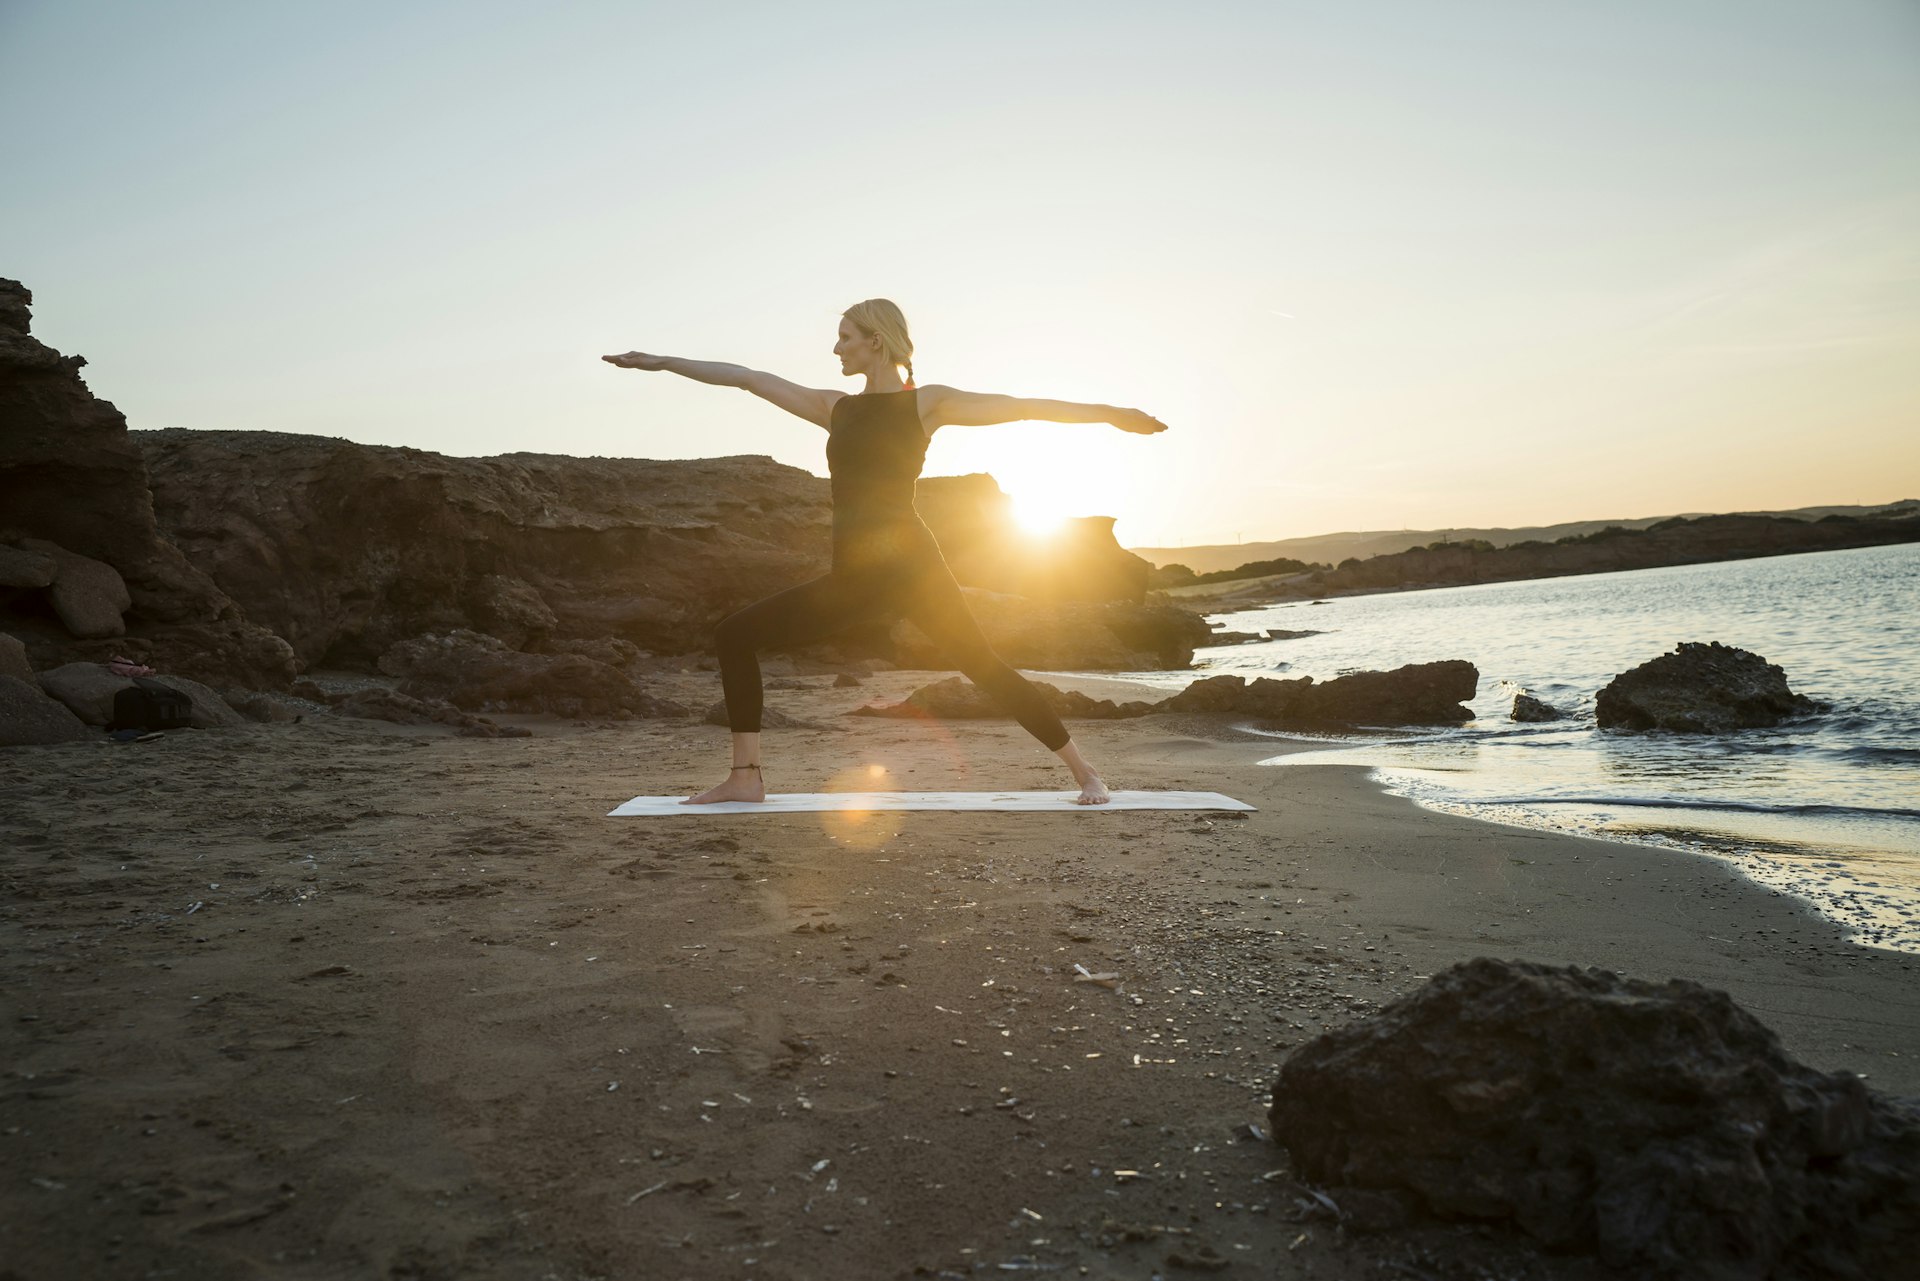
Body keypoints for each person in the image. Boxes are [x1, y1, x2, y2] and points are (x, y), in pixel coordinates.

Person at [603, 298, 1167, 806]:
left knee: (982, 665)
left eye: (845, 337)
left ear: (876, 340)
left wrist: (1112, 414)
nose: (835, 348)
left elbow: (1020, 406)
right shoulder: (835, 408)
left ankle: (1086, 773)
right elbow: (748, 378)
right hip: (852, 576)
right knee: (735, 635)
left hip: (912, 567)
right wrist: (665, 362)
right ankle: (745, 778)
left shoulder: (927, 404)